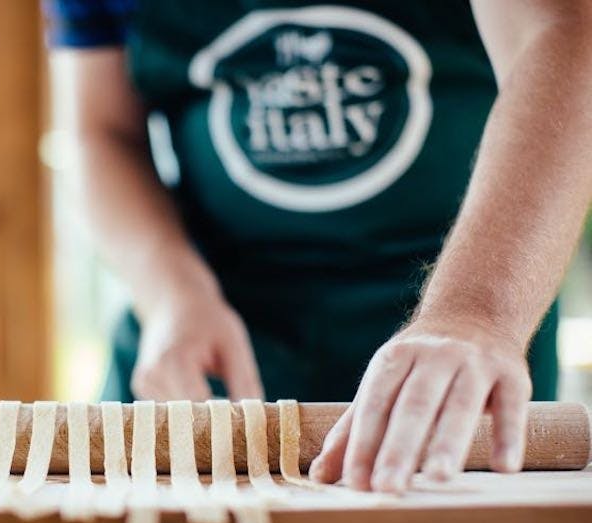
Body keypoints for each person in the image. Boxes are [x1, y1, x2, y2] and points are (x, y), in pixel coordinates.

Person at [44, 0, 592, 493]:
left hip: (451, 349)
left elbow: (562, 33)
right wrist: (170, 295)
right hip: (206, 349)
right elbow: (100, 132)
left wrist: (477, 313)